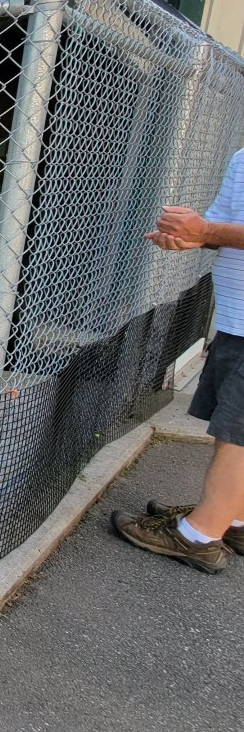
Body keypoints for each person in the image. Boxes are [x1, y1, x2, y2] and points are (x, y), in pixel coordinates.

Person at [113, 150, 244, 573]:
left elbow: (215, 225)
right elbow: (223, 225)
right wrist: (192, 236)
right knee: (232, 424)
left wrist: (204, 228)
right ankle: (233, 518)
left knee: (241, 433)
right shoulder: (241, 157)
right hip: (236, 314)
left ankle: (199, 537)